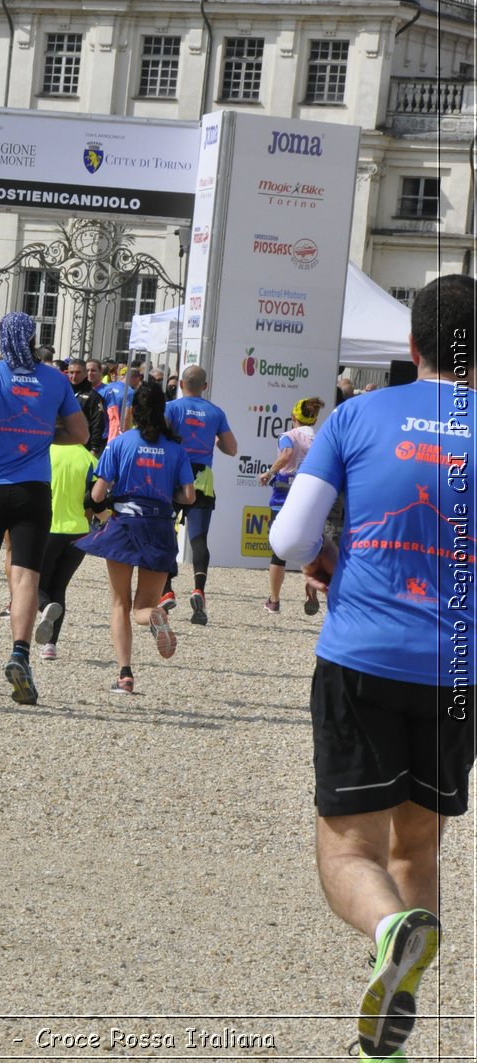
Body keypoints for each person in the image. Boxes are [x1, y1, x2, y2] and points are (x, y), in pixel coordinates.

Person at [268, 274, 474, 1063]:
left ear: (412, 344)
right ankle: (385, 1042)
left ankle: (391, 930)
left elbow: (289, 542)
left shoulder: (356, 415)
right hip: (460, 665)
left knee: (350, 849)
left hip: (364, 651)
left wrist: (326, 555)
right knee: (417, 848)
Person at [0, 311, 88, 706]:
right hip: (33, 488)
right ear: (32, 339)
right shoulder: (55, 378)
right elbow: (80, 433)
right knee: (26, 575)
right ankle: (20, 655)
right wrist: (44, 435)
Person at [75, 380, 195, 694]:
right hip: (159, 526)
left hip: (125, 525)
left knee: (119, 603)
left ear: (133, 412)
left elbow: (98, 493)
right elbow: (190, 496)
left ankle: (125, 675)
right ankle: (154, 616)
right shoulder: (176, 449)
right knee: (143, 606)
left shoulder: (119, 443)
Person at [161, 365, 237, 624]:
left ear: (181, 384)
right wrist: (212, 439)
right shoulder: (216, 412)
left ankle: (167, 590)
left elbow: (158, 437)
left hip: (172, 475)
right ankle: (198, 590)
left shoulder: (171, 408)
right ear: (205, 386)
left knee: (165, 533)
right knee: (199, 538)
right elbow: (232, 448)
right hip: (202, 477)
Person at [258, 396, 325, 614]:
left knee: (278, 551)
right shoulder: (321, 438)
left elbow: (286, 455)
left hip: (283, 497)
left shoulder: (288, 436)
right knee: (311, 546)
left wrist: (269, 472)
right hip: (310, 496)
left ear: (293, 416)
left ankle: (274, 600)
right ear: (314, 419)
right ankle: (312, 582)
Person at [34, 441, 98, 660]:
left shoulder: (43, 450)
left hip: (48, 528)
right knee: (59, 586)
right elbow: (96, 497)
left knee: (32, 583)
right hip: (79, 531)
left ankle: (44, 607)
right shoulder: (89, 458)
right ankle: (50, 646)